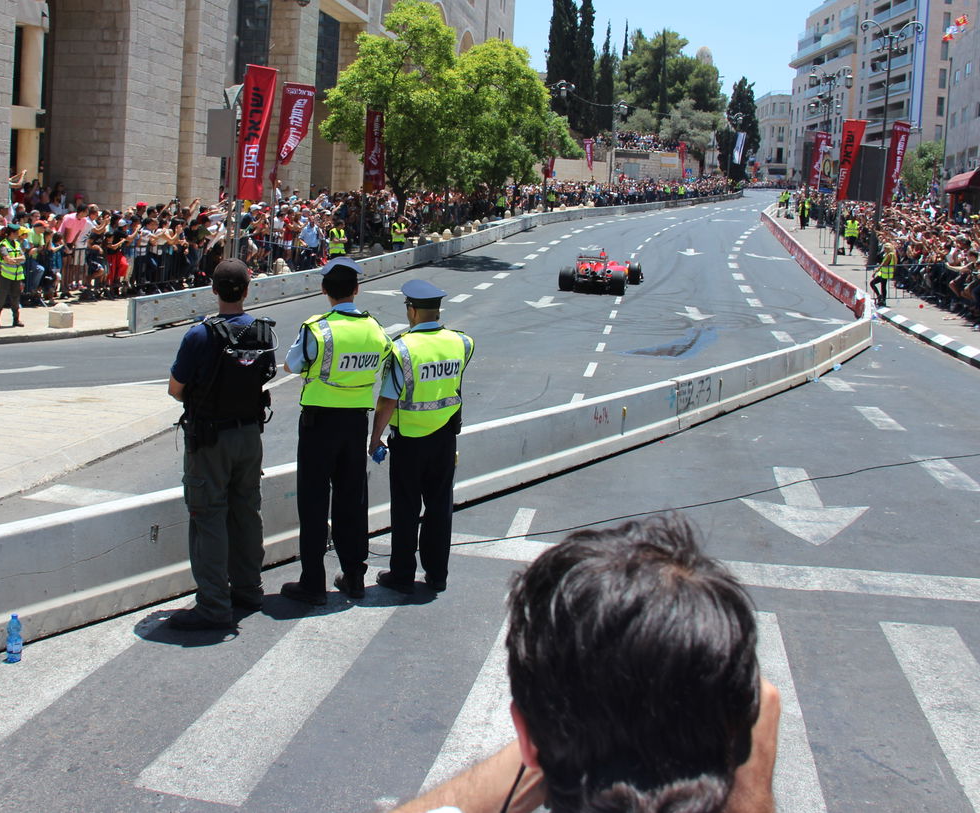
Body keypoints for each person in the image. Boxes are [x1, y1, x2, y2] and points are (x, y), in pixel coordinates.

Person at [393, 516, 780, 813]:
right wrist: (753, 786)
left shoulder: (537, 743)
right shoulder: (742, 754)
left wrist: (562, 737)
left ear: (527, 740)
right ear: (738, 730)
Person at [166, 258, 277, 630]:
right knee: (246, 511)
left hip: (210, 438)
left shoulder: (199, 335)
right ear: (247, 290)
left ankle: (213, 605)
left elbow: (175, 389)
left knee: (208, 515)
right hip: (250, 435)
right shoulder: (262, 332)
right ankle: (249, 589)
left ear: (213, 291)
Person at [280, 256, 390, 604]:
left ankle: (313, 582)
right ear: (357, 290)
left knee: (313, 502)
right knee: (352, 501)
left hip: (319, 422)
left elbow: (292, 364)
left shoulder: (317, 327)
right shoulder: (375, 328)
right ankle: (355, 576)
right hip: (356, 422)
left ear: (325, 289)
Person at [371, 279, 474, 594]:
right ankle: (437, 574)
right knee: (440, 506)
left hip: (409, 440)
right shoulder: (462, 342)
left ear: (411, 311)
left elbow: (388, 400)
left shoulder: (401, 348)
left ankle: (402, 575)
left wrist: (374, 438)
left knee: (405, 508)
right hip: (444, 438)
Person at [0, 224, 25, 328]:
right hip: (5, 275)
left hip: (16, 276)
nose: (17, 235)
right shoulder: (3, 245)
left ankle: (16, 320)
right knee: (1, 298)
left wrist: (14, 260)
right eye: (16, 233)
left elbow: (23, 258)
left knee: (15, 299)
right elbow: (7, 259)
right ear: (10, 233)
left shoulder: (17, 244)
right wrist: (15, 260)